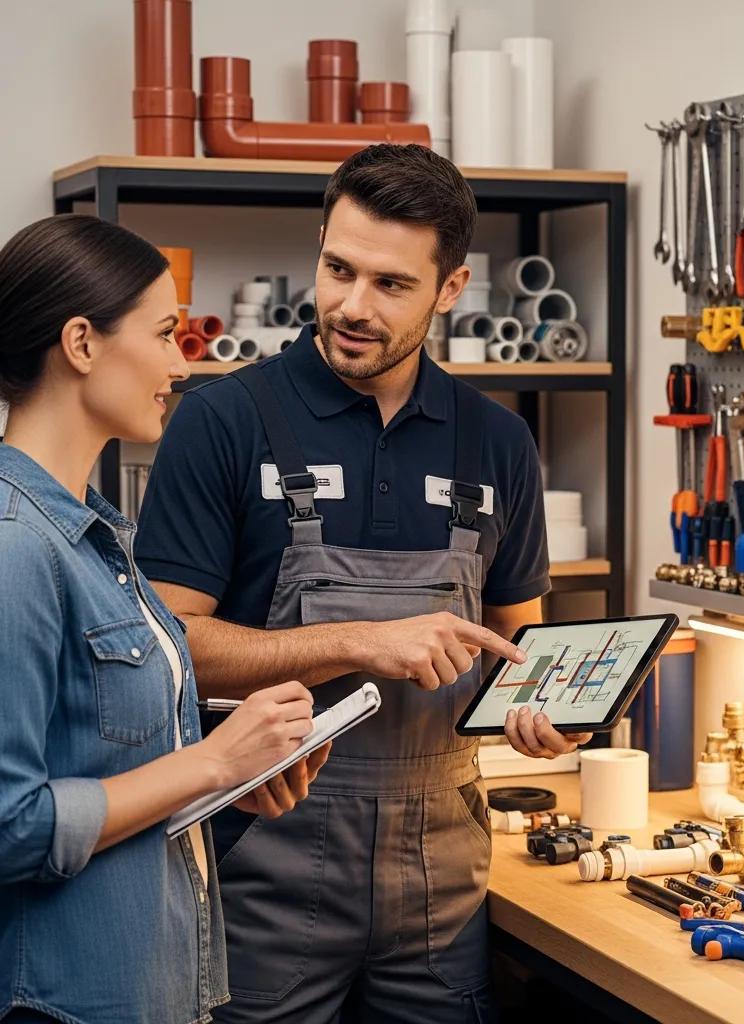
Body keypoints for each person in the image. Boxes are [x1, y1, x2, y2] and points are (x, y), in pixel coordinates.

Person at [136, 143, 592, 1023]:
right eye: (337, 268)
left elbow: (515, 652)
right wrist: (358, 642)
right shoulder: (224, 420)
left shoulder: (497, 444)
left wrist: (539, 713)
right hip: (260, 864)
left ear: (450, 289)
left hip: (441, 886)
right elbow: (169, 647)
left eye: (390, 284)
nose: (350, 306)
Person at [0, 215, 332, 1024]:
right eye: (163, 333)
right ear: (81, 343)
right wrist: (212, 764)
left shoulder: (97, 537)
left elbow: (102, 759)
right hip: (67, 1004)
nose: (182, 365)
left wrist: (233, 775)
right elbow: (10, 825)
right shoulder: (17, 549)